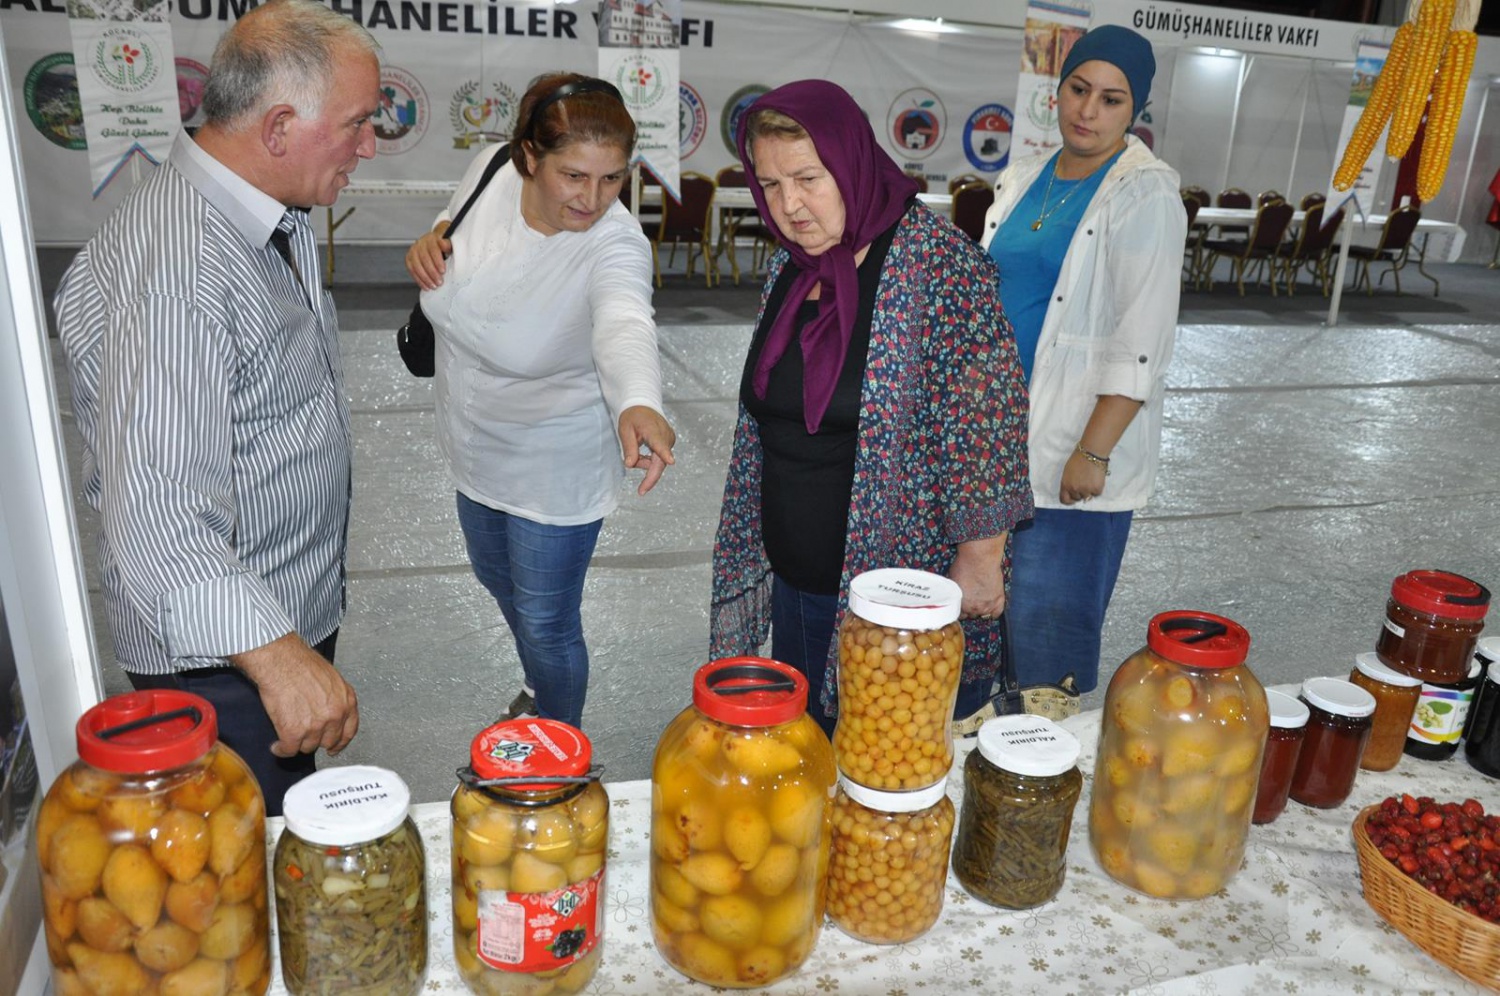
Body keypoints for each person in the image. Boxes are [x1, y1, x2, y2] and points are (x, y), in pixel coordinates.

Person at [53, 0, 379, 816]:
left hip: (265, 618)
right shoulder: (181, 275)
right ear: (277, 128)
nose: (369, 147)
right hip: (222, 657)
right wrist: (276, 655)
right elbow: (156, 516)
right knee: (239, 870)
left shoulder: (262, 211)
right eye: (357, 125)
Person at [709, 80, 1033, 736]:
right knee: (806, 751)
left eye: (807, 177)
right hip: (796, 579)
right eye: (769, 185)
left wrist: (980, 559)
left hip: (895, 591)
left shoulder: (941, 268)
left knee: (879, 768)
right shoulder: (791, 268)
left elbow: (989, 425)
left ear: (851, 160)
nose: (790, 205)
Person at [405, 74, 675, 730]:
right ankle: (537, 679)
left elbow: (623, 322)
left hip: (556, 458)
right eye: (574, 176)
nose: (593, 199)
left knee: (549, 622)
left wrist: (639, 400)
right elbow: (455, 218)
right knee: (497, 580)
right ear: (529, 157)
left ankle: (559, 744)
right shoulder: (492, 167)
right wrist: (432, 236)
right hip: (474, 436)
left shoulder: (614, 243)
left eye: (612, 179)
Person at [981, 24, 1186, 694]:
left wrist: (1093, 451)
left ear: (1134, 112)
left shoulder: (1144, 191)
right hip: (995, 440)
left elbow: (1142, 336)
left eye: (1111, 99)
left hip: (1072, 453)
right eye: (1078, 89)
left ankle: (1036, 774)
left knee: (1045, 642)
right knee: (982, 628)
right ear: (1059, 89)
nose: (1087, 110)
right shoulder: (1020, 179)